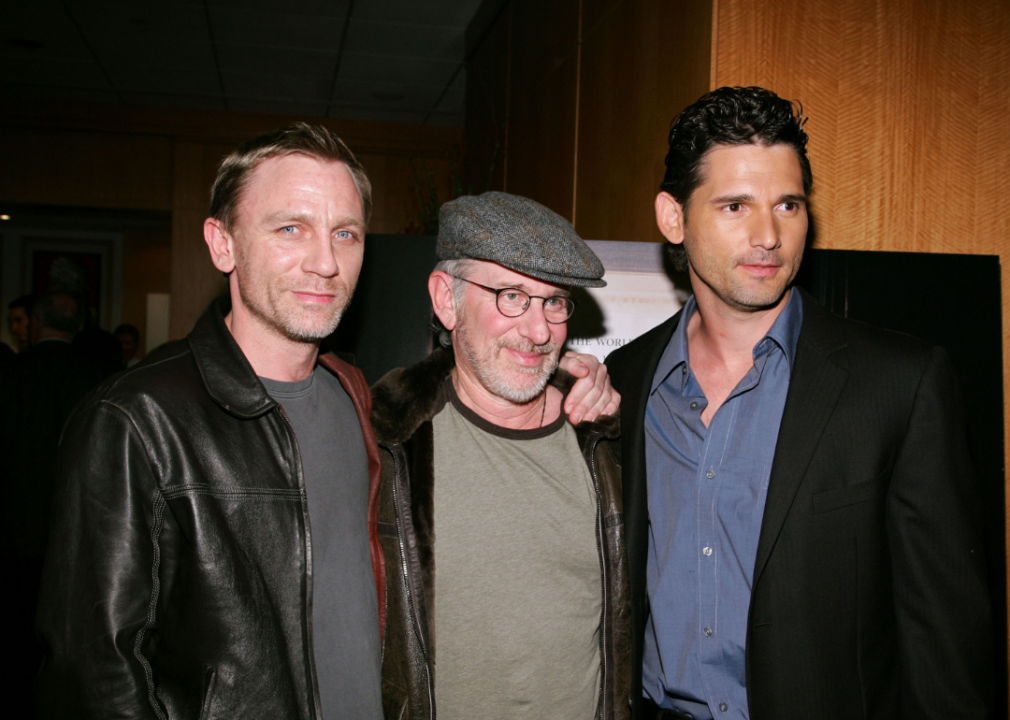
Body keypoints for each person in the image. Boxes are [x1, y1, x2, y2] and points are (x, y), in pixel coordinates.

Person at [35, 125, 617, 719]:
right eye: (291, 228)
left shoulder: (368, 402)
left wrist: (568, 374)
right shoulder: (137, 419)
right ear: (222, 243)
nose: (324, 262)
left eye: (345, 234)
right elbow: (94, 678)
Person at [606, 87, 992, 720]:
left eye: (788, 204)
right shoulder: (627, 380)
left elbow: (944, 638)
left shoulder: (900, 383)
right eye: (735, 206)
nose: (768, 236)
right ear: (673, 218)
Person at [374, 191, 629, 720]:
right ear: (447, 300)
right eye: (511, 295)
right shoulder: (379, 440)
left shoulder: (608, 444)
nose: (539, 332)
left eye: (554, 301)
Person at [1, 292, 111, 719]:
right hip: (82, 535)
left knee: (16, 644)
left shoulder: (13, 374)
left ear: (33, 323)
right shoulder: (100, 376)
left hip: (16, 530)